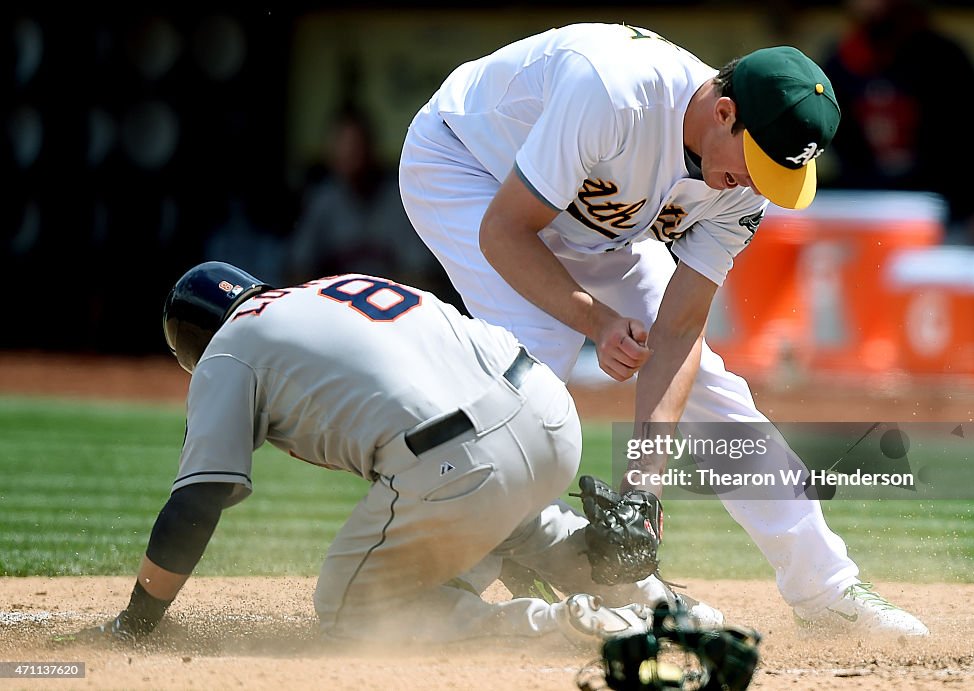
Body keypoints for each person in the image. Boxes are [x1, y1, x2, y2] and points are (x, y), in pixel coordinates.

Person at [399, 22, 928, 637]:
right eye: (757, 165)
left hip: (588, 222)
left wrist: (641, 492)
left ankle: (827, 591)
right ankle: (435, 584)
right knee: (535, 366)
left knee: (709, 383)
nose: (758, 186)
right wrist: (595, 320)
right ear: (723, 112)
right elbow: (504, 232)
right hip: (467, 167)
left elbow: (677, 332)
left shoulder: (739, 188)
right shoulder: (616, 95)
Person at [74, 261, 699, 646]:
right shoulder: (327, 289)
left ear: (193, 347)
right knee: (508, 520)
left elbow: (197, 500)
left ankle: (554, 625)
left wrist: (139, 621)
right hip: (550, 412)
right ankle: (670, 606)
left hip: (465, 459)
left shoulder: (228, 349)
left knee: (348, 609)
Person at [822, 0, 974, 245]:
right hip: (874, 214)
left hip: (946, 212)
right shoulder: (841, 63)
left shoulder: (942, 56)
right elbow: (841, 145)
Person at [286, 106, 460, 303]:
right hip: (334, 311)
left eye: (355, 145)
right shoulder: (323, 200)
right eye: (341, 145)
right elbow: (297, 273)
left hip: (391, 311)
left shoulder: (401, 197)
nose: (348, 154)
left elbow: (422, 277)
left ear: (371, 147)